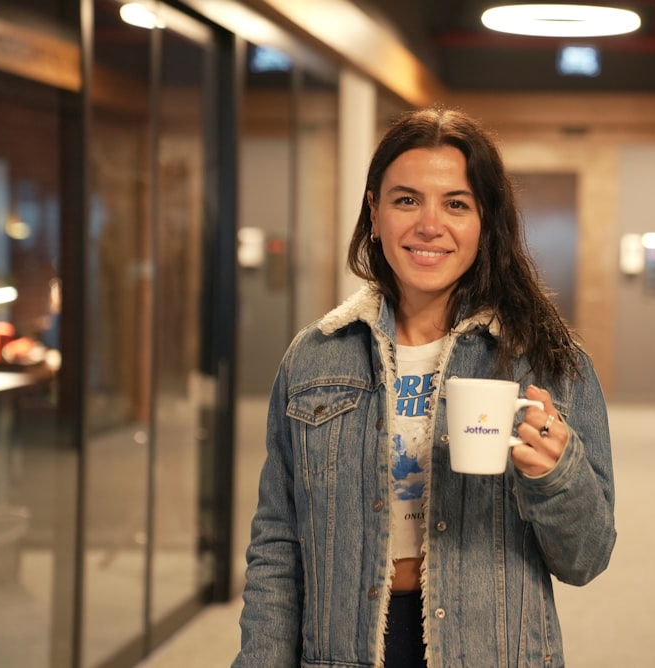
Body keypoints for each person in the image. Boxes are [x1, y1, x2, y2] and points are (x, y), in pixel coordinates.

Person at [234, 107, 615, 668]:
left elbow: (586, 557)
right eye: (406, 199)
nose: (429, 225)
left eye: (456, 204)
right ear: (374, 210)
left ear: (486, 220)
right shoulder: (314, 357)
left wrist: (554, 475)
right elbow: (276, 545)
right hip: (344, 648)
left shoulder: (545, 360)